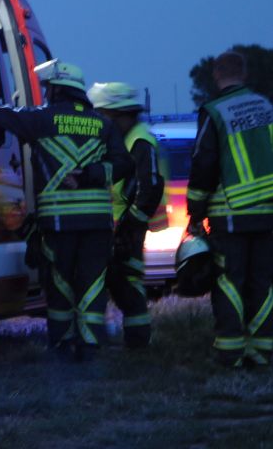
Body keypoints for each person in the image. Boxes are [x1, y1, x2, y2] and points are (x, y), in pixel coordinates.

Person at [0, 60, 133, 361]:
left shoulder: (41, 120)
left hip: (59, 224)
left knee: (60, 284)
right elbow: (124, 164)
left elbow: (0, 115)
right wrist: (91, 174)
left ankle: (61, 348)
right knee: (92, 285)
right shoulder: (104, 125)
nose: (46, 94)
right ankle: (91, 348)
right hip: (97, 225)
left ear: (57, 89)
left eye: (48, 88)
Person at [186, 50, 273, 368]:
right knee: (261, 282)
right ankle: (261, 350)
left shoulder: (214, 111)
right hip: (264, 213)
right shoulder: (268, 107)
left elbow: (204, 163)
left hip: (228, 215)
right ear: (245, 73)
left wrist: (196, 212)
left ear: (216, 74)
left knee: (229, 281)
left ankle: (230, 352)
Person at [87, 82, 164, 349]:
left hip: (128, 226)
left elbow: (150, 187)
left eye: (102, 115)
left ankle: (137, 343)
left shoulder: (140, 141)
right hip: (119, 224)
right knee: (118, 281)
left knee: (126, 283)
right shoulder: (123, 139)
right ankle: (131, 341)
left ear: (120, 114)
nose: (100, 122)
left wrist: (130, 226)